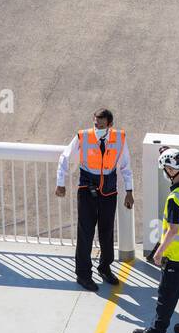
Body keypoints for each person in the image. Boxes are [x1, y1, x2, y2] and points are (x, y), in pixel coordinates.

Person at [56, 108, 134, 290]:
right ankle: (83, 275)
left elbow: (125, 166)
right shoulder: (83, 136)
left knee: (107, 231)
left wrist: (129, 191)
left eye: (101, 124)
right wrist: (61, 182)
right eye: (95, 123)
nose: (97, 127)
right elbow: (65, 158)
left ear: (110, 125)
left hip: (109, 190)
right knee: (86, 232)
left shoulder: (119, 138)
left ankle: (105, 267)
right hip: (87, 189)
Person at [133, 148, 179, 333]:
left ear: (171, 170)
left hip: (177, 254)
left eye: (165, 168)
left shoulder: (175, 198)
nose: (164, 172)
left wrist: (158, 253)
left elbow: (173, 230)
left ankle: (156, 332)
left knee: (166, 295)